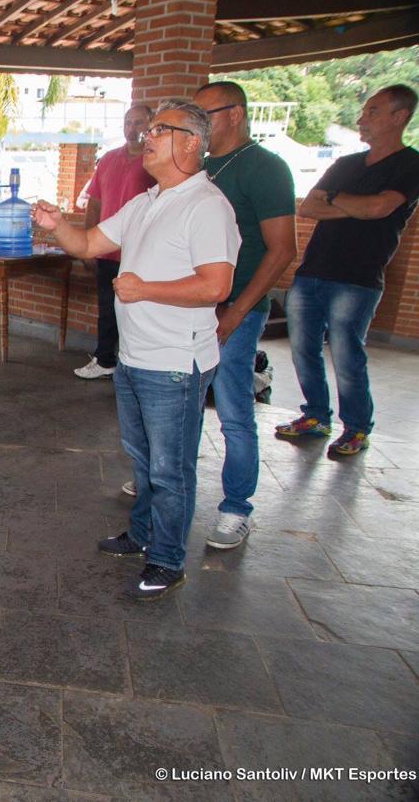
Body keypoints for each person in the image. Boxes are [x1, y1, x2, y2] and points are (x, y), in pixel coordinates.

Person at [32, 100, 240, 601]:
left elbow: (217, 284)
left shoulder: (206, 205)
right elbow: (88, 245)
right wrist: (58, 225)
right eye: (148, 129)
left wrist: (145, 289)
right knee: (144, 461)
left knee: (172, 469)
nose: (146, 136)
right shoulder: (148, 201)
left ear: (192, 141)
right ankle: (144, 534)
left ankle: (168, 561)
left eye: (160, 130)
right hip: (136, 358)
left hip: (175, 363)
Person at [277, 85, 419, 457]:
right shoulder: (346, 164)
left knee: (347, 353)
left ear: (400, 117)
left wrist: (337, 200)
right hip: (313, 270)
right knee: (303, 349)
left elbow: (380, 209)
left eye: (373, 111)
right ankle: (316, 416)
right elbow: (308, 207)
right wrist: (354, 205)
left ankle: (357, 428)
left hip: (358, 278)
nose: (363, 119)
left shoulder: (414, 165)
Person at [192, 82, 297, 549]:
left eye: (205, 115)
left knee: (233, 410)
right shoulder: (197, 167)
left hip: (236, 307)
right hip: (192, 306)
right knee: (182, 403)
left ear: (235, 114)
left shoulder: (265, 168)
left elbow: (282, 250)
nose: (199, 125)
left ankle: (237, 508)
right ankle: (166, 482)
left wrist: (237, 311)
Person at [74, 104, 155, 380]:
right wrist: (87, 241)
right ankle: (105, 358)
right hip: (107, 249)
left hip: (140, 252)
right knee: (107, 308)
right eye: (128, 123)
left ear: (151, 125)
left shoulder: (153, 162)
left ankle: (135, 365)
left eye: (139, 123)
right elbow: (94, 203)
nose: (132, 129)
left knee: (137, 310)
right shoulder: (108, 159)